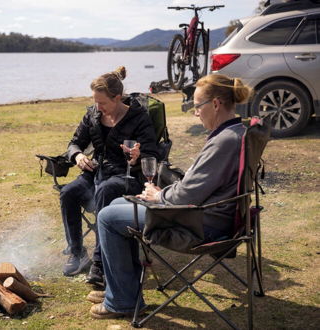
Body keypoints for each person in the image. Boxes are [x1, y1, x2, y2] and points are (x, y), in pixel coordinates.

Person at [87, 74, 253, 319]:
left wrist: (159, 194)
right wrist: (164, 194)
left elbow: (187, 193)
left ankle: (122, 300)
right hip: (210, 214)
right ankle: (122, 288)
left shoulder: (224, 141)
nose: (195, 112)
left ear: (216, 104)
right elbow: (198, 187)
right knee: (116, 203)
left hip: (201, 223)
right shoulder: (238, 131)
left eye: (197, 106)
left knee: (107, 217)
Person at [60, 66, 161, 280]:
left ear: (117, 98)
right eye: (95, 101)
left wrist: (138, 156)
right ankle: (77, 253)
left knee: (106, 190)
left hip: (127, 176)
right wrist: (77, 155)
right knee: (69, 192)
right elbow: (75, 143)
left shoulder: (139, 117)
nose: (98, 107)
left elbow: (152, 155)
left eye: (103, 103)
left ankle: (100, 261)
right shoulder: (93, 115)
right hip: (96, 172)